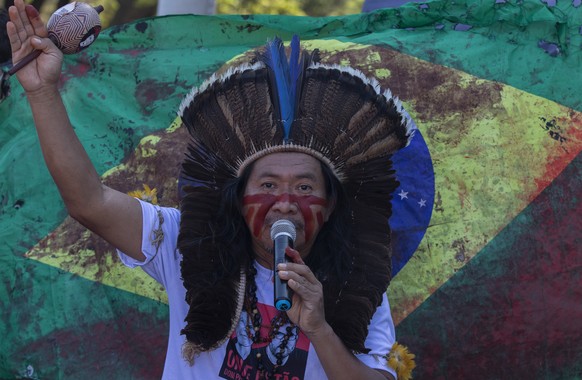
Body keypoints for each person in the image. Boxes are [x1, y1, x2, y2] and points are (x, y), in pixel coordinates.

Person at [7, 0, 413, 378]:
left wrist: (319, 327)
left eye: (305, 186)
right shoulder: (186, 243)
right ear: (237, 198)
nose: (285, 202)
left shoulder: (356, 278)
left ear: (328, 206)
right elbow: (89, 202)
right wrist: (42, 91)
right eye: (268, 184)